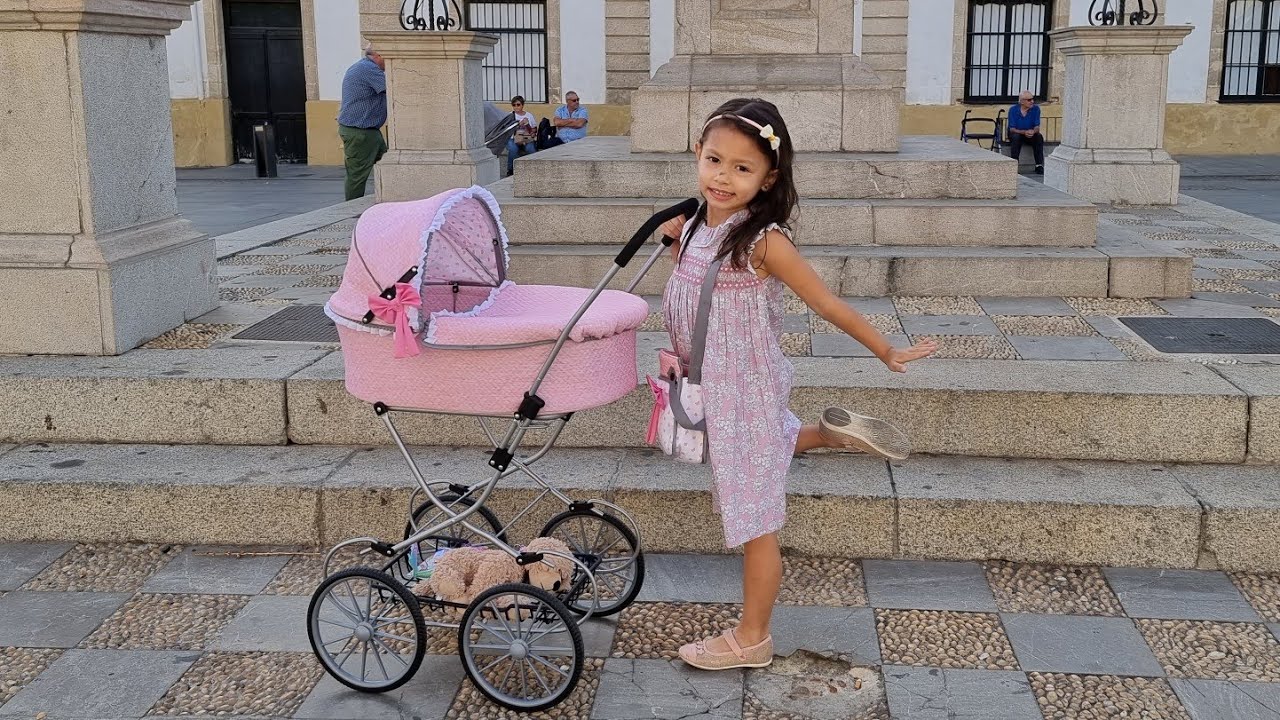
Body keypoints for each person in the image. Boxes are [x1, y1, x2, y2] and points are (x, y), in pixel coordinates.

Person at [657, 98, 938, 671]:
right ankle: (828, 434)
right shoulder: (694, 226)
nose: (723, 177)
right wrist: (674, 241)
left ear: (768, 178)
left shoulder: (763, 242)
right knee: (756, 455)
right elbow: (692, 292)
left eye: (742, 168)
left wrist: (885, 349)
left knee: (754, 520)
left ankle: (752, 637)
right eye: (714, 160)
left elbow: (826, 303)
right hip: (712, 382)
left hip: (744, 392)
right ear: (697, 153)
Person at [337, 44, 388, 200]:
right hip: (360, 132)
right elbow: (394, 87)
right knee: (357, 175)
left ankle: (389, 199)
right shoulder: (368, 69)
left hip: (367, 131)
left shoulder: (363, 66)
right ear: (378, 55)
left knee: (387, 164)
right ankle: (351, 207)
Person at [1006, 91, 1045, 174]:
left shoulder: (1036, 109)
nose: (1032, 101)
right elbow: (1012, 129)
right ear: (1022, 101)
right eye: (1029, 100)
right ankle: (1015, 165)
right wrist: (1024, 132)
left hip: (1029, 133)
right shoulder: (1013, 110)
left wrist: (1033, 131)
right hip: (1016, 132)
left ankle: (1039, 165)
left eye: (1033, 99)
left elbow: (1037, 127)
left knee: (1039, 137)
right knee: (1016, 137)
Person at [505, 95, 538, 177]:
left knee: (531, 149)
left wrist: (527, 125)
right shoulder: (510, 115)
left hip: (526, 137)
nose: (516, 107)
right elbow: (506, 129)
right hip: (512, 138)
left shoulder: (529, 115)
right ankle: (511, 169)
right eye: (514, 105)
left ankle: (534, 168)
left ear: (522, 105)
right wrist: (518, 124)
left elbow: (534, 129)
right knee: (513, 149)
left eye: (518, 104)